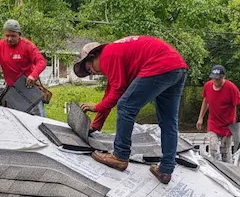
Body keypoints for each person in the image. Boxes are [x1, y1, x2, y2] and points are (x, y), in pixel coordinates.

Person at [74, 36, 187, 185]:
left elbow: (117, 92)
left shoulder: (108, 55)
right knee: (168, 121)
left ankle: (120, 156)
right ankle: (165, 169)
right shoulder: (116, 54)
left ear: (94, 56)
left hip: (159, 64)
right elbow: (110, 94)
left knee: (126, 107)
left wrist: (96, 107)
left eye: (90, 68)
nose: (94, 73)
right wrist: (96, 126)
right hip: (177, 67)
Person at [0, 19, 48, 115]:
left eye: (13, 36)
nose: (9, 39)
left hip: (29, 87)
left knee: (38, 119)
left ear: (19, 35)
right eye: (7, 36)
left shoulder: (27, 46)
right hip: (12, 89)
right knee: (11, 117)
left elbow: (41, 61)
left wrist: (33, 75)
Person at [196, 65, 240, 163]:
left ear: (223, 77)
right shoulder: (207, 86)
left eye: (218, 79)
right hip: (213, 123)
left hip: (228, 125)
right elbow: (206, 101)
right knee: (213, 147)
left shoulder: (230, 87)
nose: (215, 81)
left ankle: (228, 169)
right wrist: (200, 118)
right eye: (213, 78)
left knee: (225, 151)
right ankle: (216, 167)